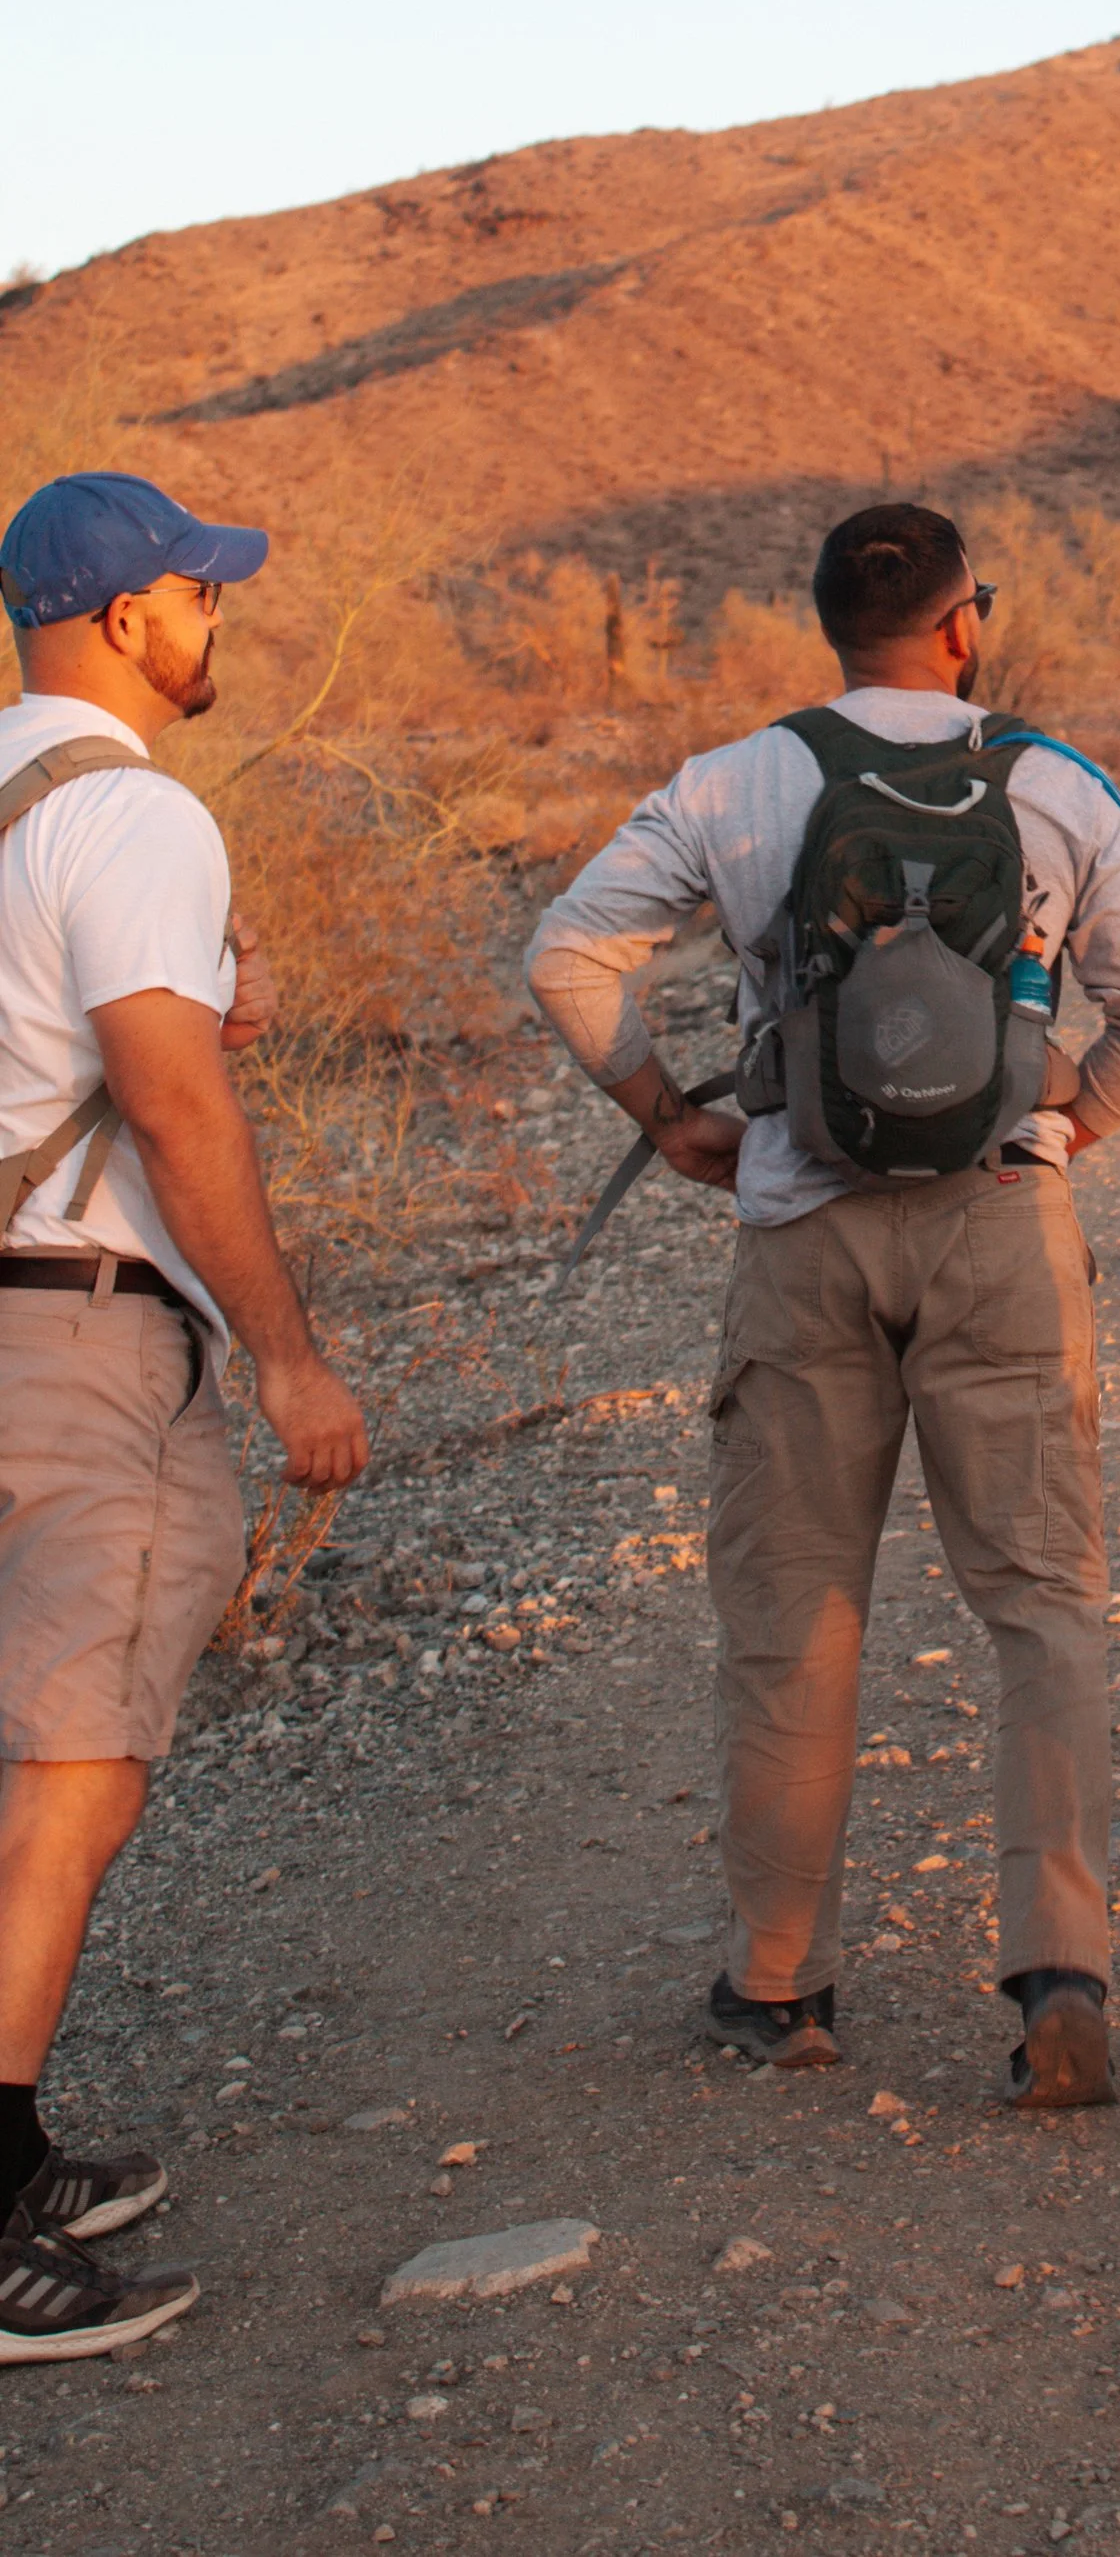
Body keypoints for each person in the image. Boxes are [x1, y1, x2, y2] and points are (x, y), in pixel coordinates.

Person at [526, 503, 1120, 2105]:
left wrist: (670, 1117)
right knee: (1040, 1602)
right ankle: (1060, 1972)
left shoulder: (733, 780)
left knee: (795, 1610)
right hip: (1001, 1234)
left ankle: (780, 1983)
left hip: (801, 1236)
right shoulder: (1054, 783)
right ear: (967, 623)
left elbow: (569, 958)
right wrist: (1062, 1128)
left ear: (827, 624)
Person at [0, 471, 369, 2359]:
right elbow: (171, 1109)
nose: (217, 621)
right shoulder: (132, 811)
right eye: (197, 594)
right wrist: (286, 1354)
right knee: (73, 1759)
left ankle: (20, 2134)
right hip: (75, 1339)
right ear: (129, 616)